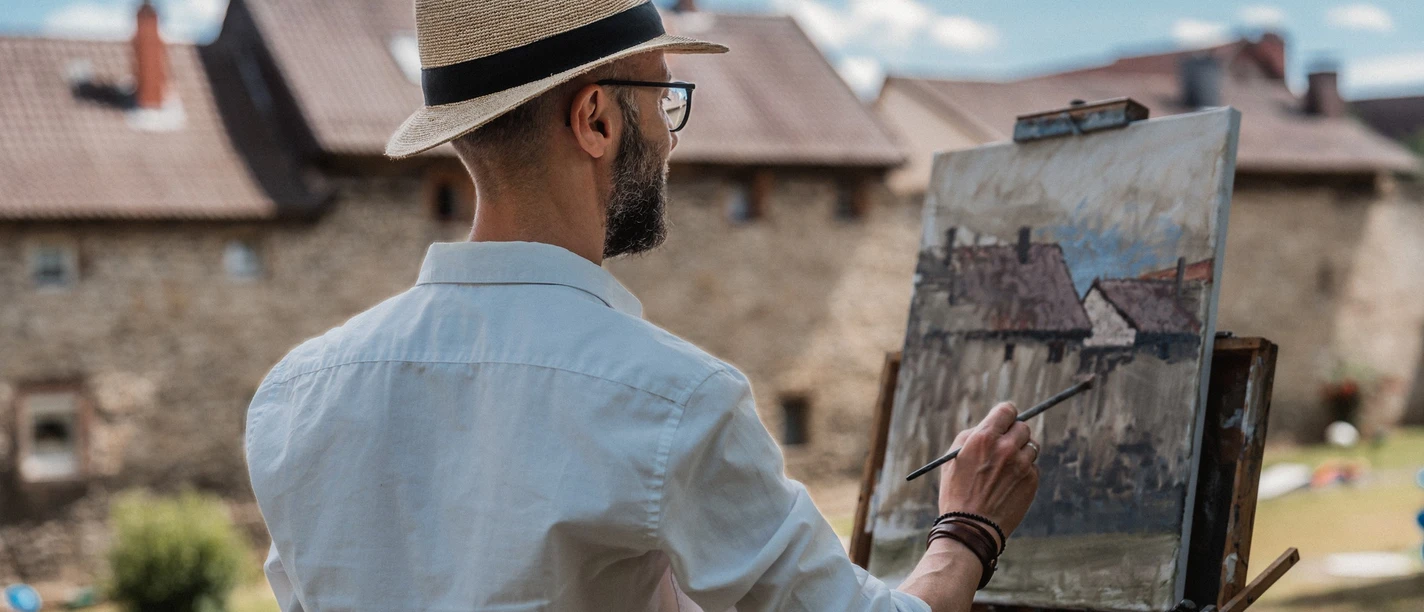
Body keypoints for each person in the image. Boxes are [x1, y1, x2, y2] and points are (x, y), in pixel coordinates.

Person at [244, 2, 1041, 611]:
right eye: (664, 101)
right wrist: (967, 530)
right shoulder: (669, 401)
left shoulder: (294, 395)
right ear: (595, 119)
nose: (669, 136)